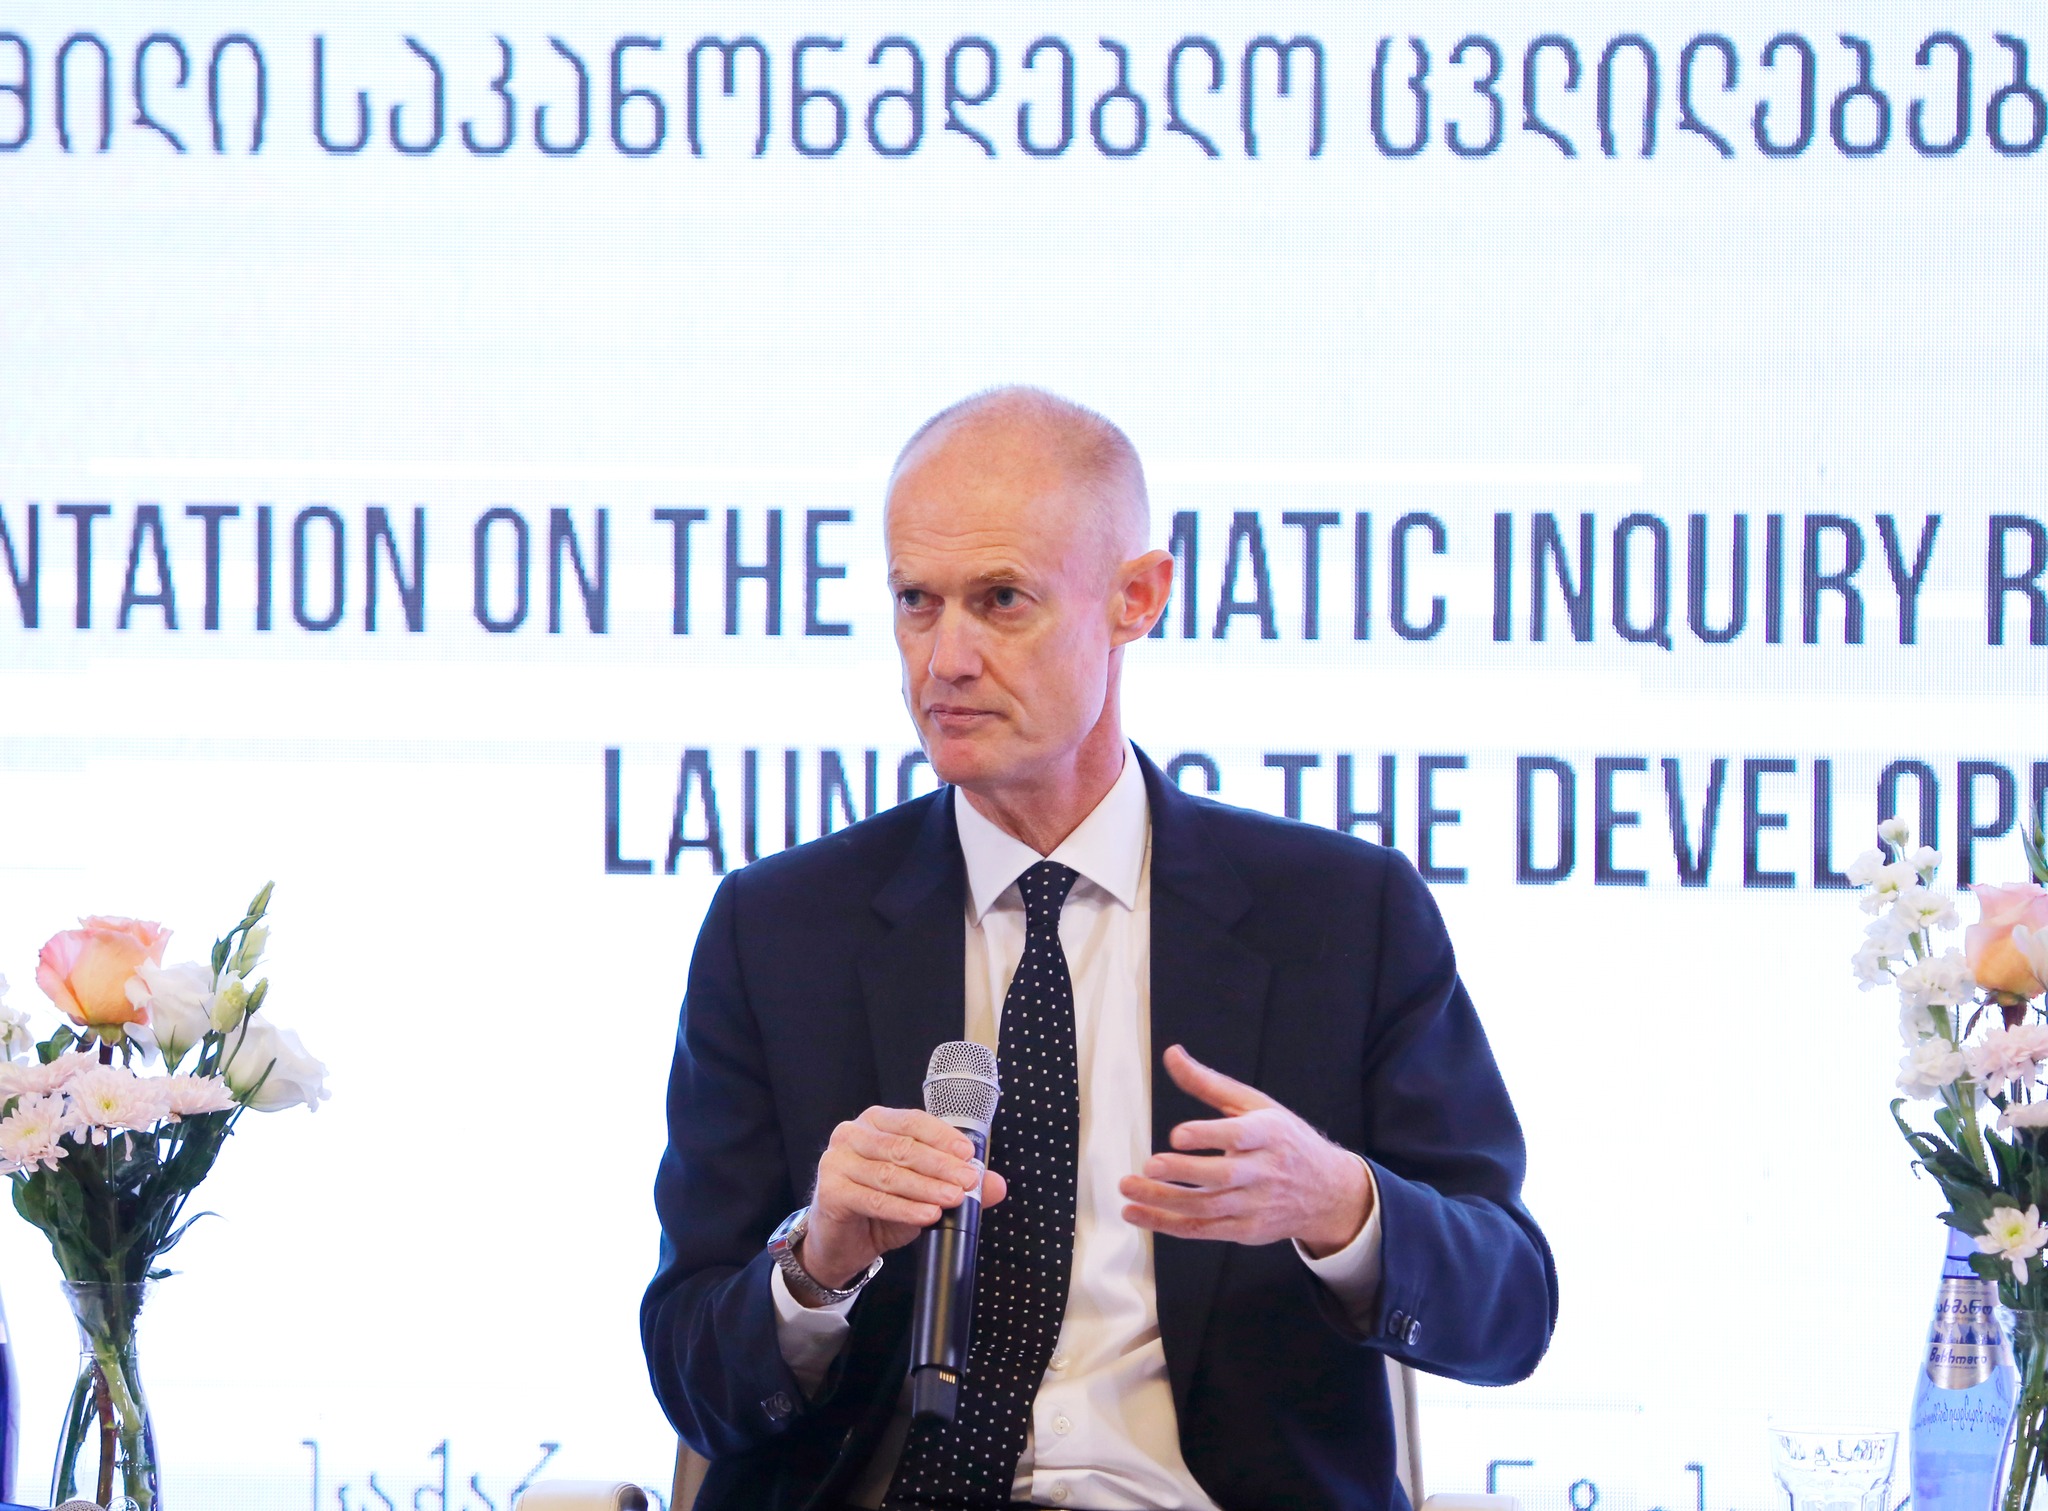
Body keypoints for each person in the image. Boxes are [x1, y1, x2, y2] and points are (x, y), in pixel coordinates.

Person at [641, 387, 1556, 1511]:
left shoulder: (1340, 916)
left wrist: (1341, 1203)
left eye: (1000, 600)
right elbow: (694, 1376)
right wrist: (814, 1262)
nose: (946, 658)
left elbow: (1511, 1308)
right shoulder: (778, 929)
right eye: (916, 601)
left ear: (1137, 598)